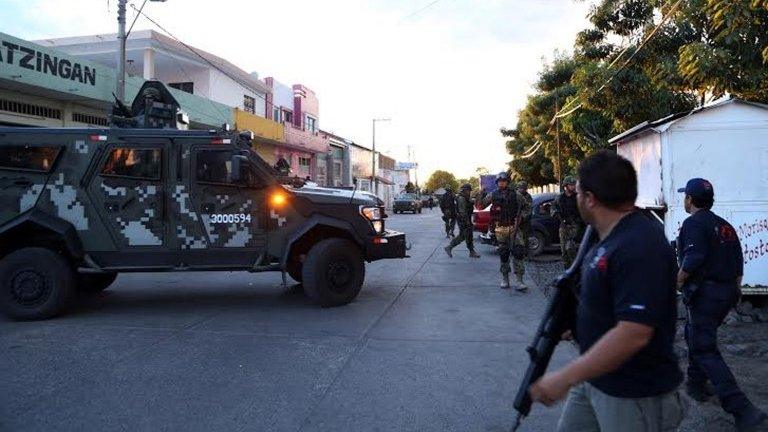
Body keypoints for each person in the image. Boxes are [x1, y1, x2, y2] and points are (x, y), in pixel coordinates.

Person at [530, 150, 686, 432]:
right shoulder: (606, 236)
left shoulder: (639, 244)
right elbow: (609, 300)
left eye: (577, 192)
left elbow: (634, 333)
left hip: (634, 392)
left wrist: (563, 378)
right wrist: (577, 324)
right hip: (596, 378)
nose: (575, 198)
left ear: (589, 198)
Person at [677, 178, 767, 431]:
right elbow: (739, 262)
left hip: (707, 294)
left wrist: (677, 281)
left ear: (690, 200)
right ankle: (696, 385)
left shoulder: (693, 223)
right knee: (695, 334)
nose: (684, 200)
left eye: (685, 196)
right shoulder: (724, 225)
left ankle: (743, 410)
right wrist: (734, 290)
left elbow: (693, 258)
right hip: (727, 292)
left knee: (704, 347)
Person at [483, 172, 530, 291]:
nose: (502, 183)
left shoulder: (516, 194)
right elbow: (480, 204)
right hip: (500, 229)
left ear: (508, 182)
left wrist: (522, 217)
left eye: (504, 181)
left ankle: (519, 281)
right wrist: (481, 192)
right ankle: (505, 279)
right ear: (497, 183)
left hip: (514, 228)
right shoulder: (493, 194)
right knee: (503, 254)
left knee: (518, 253)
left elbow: (527, 207)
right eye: (499, 181)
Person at [552, 176, 584, 269]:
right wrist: (554, 213)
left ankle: (574, 268)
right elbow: (553, 207)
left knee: (570, 248)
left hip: (574, 225)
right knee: (563, 250)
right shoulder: (559, 198)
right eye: (571, 185)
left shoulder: (577, 197)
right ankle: (567, 269)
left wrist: (578, 221)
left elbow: (582, 211)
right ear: (565, 186)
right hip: (563, 226)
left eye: (574, 185)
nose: (573, 186)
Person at [444, 184, 481, 259]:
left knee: (469, 235)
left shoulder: (465, 197)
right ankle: (449, 247)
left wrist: (479, 195)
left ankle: (471, 251)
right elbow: (462, 212)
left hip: (465, 219)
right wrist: (467, 221)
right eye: (468, 191)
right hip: (463, 220)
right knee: (463, 236)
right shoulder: (461, 199)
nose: (469, 192)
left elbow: (471, 202)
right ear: (464, 190)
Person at [517, 181, 533, 253]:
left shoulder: (528, 197)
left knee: (525, 237)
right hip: (516, 221)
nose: (521, 190)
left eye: (523, 188)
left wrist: (522, 217)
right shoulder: (516, 195)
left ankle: (525, 253)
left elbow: (529, 209)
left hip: (525, 221)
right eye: (520, 188)